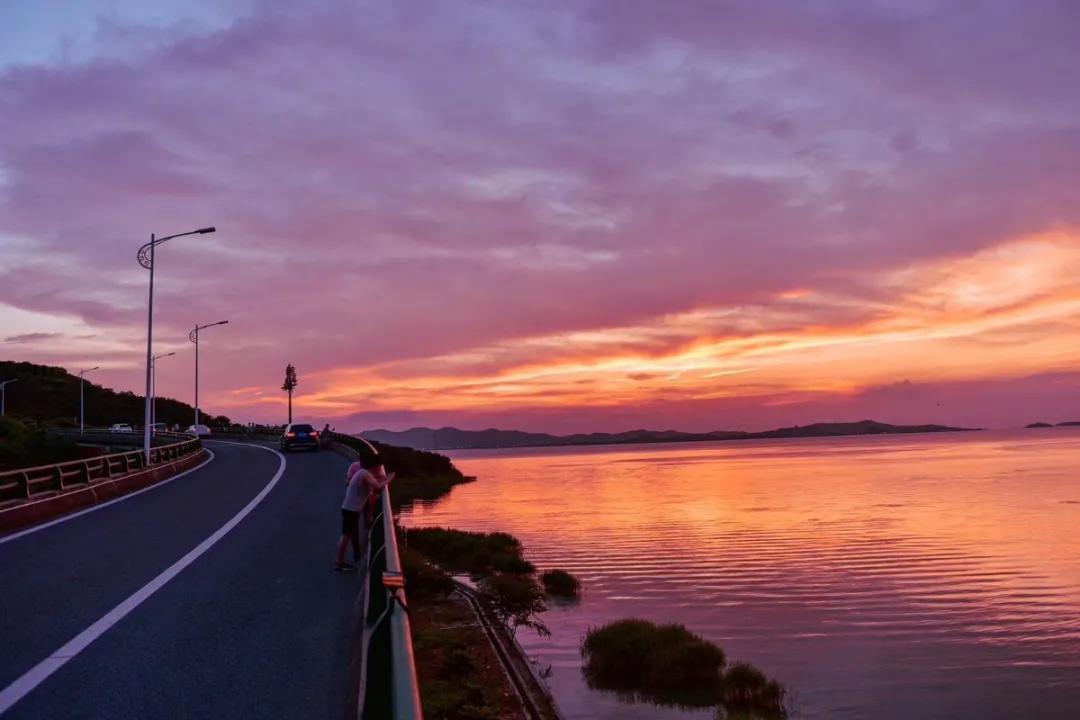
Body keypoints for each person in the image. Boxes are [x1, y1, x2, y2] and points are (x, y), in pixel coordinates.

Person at [335, 454, 394, 571]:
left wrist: (384, 478)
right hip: (351, 510)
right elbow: (377, 486)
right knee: (345, 536)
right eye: (378, 467)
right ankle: (339, 563)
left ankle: (340, 561)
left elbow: (375, 481)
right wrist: (389, 479)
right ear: (374, 466)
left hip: (350, 509)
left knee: (346, 536)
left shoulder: (363, 473)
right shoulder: (364, 473)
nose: (379, 469)